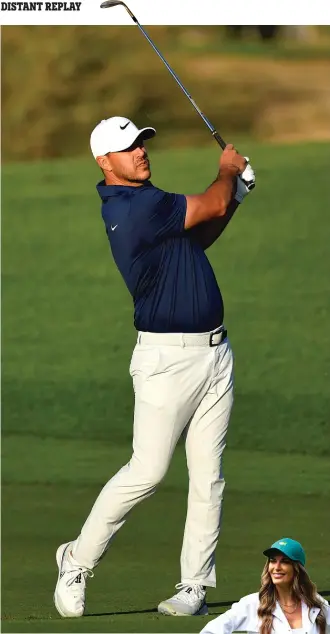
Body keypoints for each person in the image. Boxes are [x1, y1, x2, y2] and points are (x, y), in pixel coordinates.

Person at [54, 116, 256, 618]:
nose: (141, 152)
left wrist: (237, 193)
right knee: (147, 471)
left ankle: (194, 585)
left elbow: (200, 234)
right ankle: (76, 561)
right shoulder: (134, 206)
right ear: (105, 162)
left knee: (209, 477)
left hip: (215, 354)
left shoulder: (151, 202)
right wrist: (228, 171)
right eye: (129, 148)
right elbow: (211, 202)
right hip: (167, 361)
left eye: (142, 143)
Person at [200, 538, 330, 634]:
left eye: (285, 562)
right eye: (273, 561)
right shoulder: (253, 604)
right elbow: (211, 630)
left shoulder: (317, 605)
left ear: (297, 569)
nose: (277, 567)